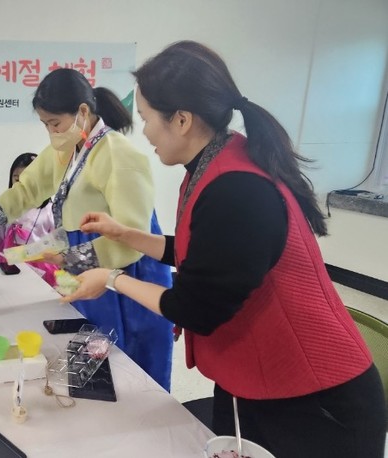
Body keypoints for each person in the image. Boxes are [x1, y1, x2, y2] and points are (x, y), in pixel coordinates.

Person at [64, 41, 386, 456]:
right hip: (258, 380)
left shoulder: (237, 189)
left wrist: (111, 278)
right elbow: (205, 256)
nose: (144, 132)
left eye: (146, 119)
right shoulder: (214, 164)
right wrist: (126, 234)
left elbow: (194, 307)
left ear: (182, 120)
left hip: (316, 403)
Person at [0, 68, 174, 390]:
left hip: (125, 267)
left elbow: (131, 237)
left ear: (82, 112)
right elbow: (28, 189)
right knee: (91, 347)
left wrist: (69, 259)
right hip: (86, 259)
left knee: (129, 361)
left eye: (55, 123)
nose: (51, 133)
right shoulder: (66, 150)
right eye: (45, 125)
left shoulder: (119, 155)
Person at [0, 152, 57, 286]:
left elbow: (56, 244)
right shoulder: (6, 209)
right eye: (16, 179)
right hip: (9, 266)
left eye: (28, 180)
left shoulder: (50, 210)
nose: (21, 186)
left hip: (40, 272)